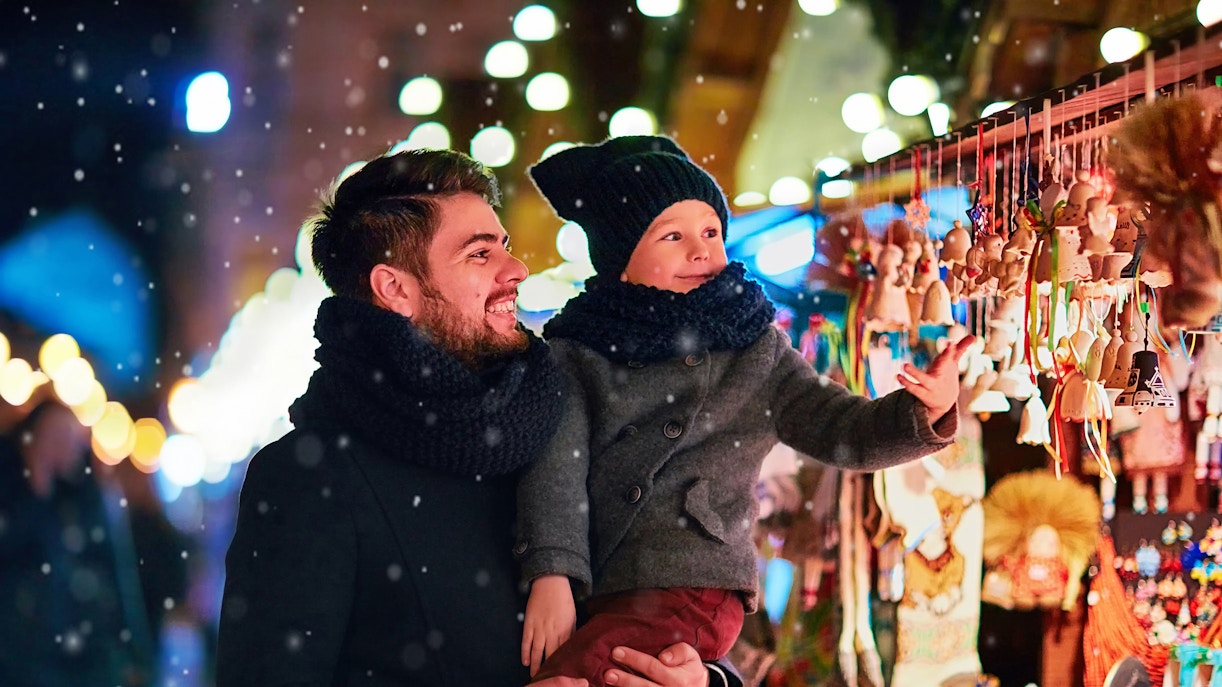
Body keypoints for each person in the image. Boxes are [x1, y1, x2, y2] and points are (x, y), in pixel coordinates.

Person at [215, 148, 740, 687]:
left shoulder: (568, 425)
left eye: (505, 248)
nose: (517, 271)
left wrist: (704, 682)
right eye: (479, 255)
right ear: (395, 289)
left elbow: (676, 607)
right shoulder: (312, 479)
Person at [516, 135, 973, 684]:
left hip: (695, 581)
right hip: (603, 579)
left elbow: (836, 425)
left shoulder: (754, 345)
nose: (700, 249)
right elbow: (555, 471)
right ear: (621, 259)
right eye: (673, 235)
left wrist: (924, 414)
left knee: (577, 675)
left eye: (710, 231)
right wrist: (553, 572)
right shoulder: (576, 350)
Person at [0, 398, 155, 687]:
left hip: (88, 654)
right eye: (54, 437)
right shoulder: (13, 490)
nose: (63, 447)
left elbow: (117, 572)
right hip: (23, 656)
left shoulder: (89, 497)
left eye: (69, 438)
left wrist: (135, 651)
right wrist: (37, 487)